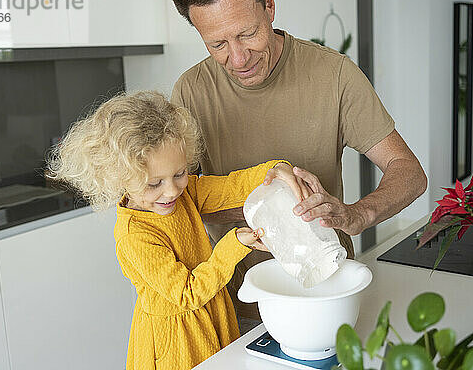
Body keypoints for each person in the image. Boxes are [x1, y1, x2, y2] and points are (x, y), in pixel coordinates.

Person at [170, 0, 428, 331]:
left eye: (247, 33)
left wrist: (357, 215)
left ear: (269, 5)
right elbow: (177, 199)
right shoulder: (191, 92)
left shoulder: (334, 75)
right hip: (234, 307)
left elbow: (409, 172)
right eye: (218, 44)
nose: (239, 57)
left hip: (329, 298)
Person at [46, 91, 306, 370]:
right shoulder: (134, 235)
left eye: (179, 173)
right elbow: (186, 294)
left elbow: (231, 187)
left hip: (212, 313)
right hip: (177, 342)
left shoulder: (185, 193)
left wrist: (275, 170)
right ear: (118, 176)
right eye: (153, 183)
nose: (171, 190)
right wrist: (234, 244)